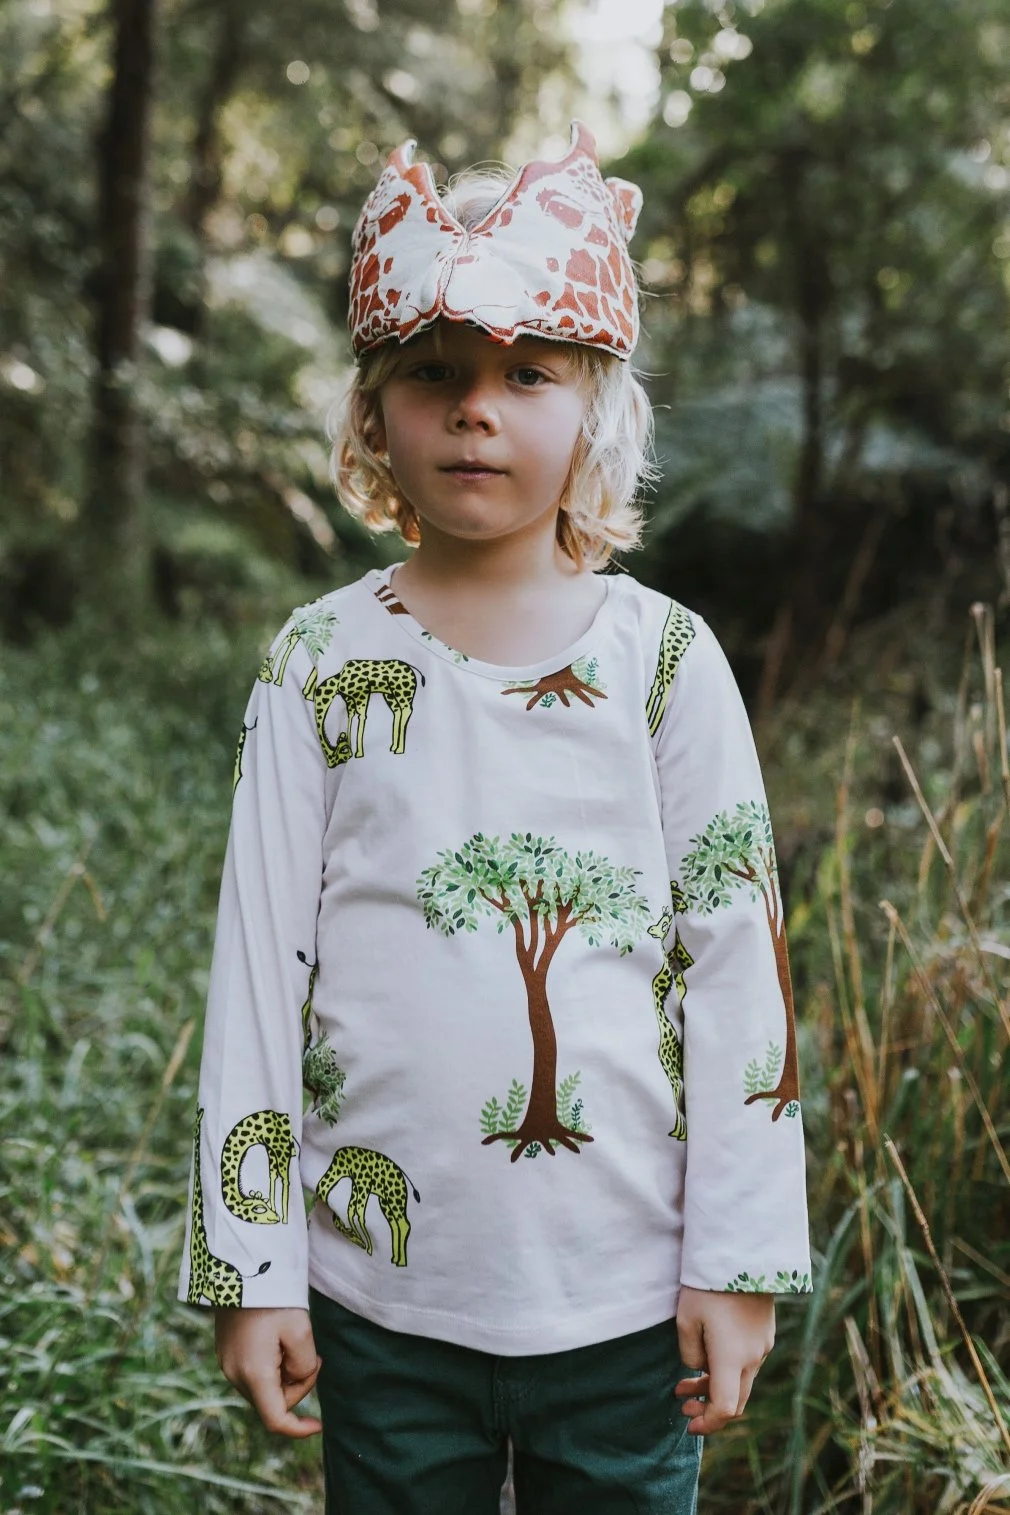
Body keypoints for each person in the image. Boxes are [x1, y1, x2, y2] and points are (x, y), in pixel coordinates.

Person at [178, 120, 812, 1514]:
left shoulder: (663, 661)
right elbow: (257, 967)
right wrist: (252, 1264)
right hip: (380, 1299)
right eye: (434, 374)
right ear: (373, 413)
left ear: (595, 407)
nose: (477, 409)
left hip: (626, 1300)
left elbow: (737, 966)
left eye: (526, 374)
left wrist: (736, 1260)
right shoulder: (318, 661)